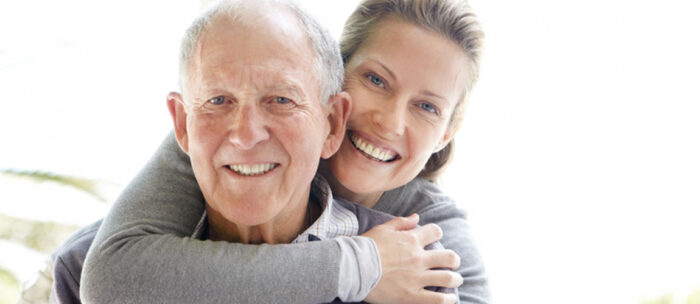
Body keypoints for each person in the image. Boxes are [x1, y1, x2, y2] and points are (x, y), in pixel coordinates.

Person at [44, 1, 465, 303]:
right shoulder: (84, 269)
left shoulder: (414, 273)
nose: (245, 135)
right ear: (182, 125)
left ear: (332, 122)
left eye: (281, 100)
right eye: (218, 101)